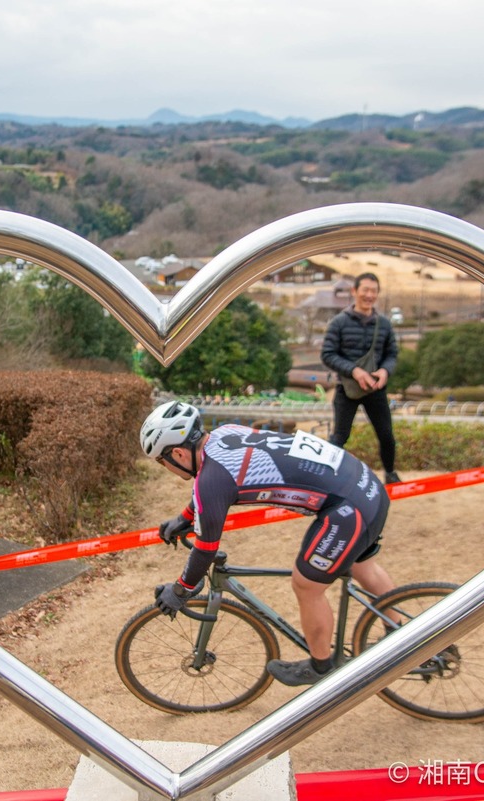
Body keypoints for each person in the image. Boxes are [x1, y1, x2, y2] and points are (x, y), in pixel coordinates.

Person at [141, 401, 396, 687]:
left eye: (162, 462)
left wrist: (181, 590)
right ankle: (402, 634)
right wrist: (185, 517)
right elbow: (209, 494)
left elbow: (206, 547)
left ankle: (322, 667)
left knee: (306, 584)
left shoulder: (212, 480)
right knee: (363, 566)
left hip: (349, 509)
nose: (166, 468)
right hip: (366, 484)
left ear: (177, 453)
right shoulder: (226, 433)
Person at [321, 273, 401, 485]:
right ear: (354, 291)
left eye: (374, 291)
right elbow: (328, 354)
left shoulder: (384, 324)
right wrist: (354, 371)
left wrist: (385, 370)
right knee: (340, 437)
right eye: (365, 290)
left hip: (375, 387)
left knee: (386, 435)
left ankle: (391, 473)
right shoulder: (339, 322)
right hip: (347, 388)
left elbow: (392, 354)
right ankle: (325, 478)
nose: (369, 295)